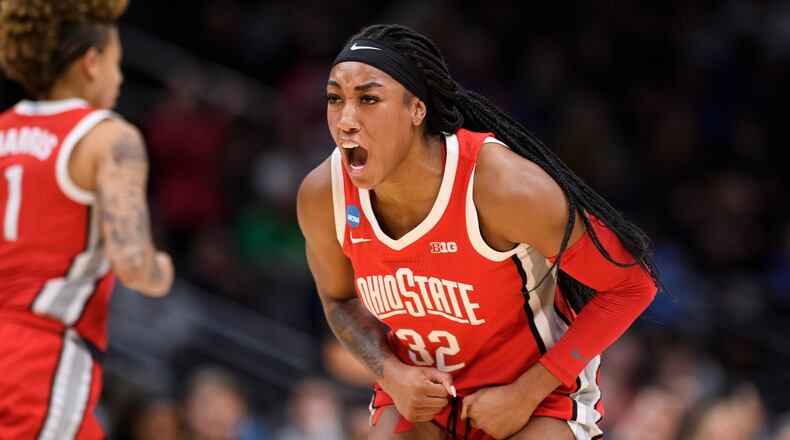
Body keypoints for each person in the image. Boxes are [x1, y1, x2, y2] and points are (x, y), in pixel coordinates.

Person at [297, 24, 659, 440]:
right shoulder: (323, 195)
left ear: (417, 110)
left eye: (368, 99)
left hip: (534, 398)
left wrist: (528, 391)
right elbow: (338, 300)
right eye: (335, 99)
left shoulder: (502, 187)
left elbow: (632, 284)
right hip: (420, 397)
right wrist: (390, 372)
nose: (345, 120)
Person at [0, 1, 173, 438]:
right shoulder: (109, 137)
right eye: (117, 63)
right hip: (39, 350)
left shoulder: (3, 128)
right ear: (92, 62)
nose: (120, 79)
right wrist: (161, 270)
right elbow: (133, 264)